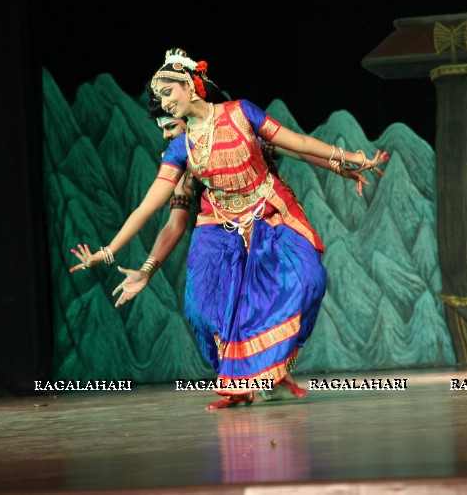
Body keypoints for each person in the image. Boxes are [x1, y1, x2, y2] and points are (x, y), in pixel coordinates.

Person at [72, 49, 387, 409]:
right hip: (219, 225)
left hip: (268, 210)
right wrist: (112, 252)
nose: (165, 104)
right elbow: (150, 207)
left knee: (308, 278)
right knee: (201, 310)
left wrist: (348, 160)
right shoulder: (180, 149)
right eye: (159, 100)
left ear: (191, 85)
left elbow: (297, 145)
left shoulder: (240, 113)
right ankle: (238, 385)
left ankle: (272, 374)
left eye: (168, 93)